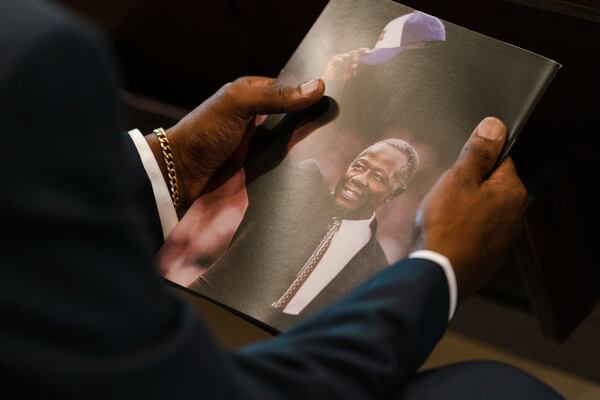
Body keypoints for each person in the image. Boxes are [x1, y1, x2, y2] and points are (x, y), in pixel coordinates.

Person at [1, 0, 563, 399]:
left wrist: (174, 159)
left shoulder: (373, 265)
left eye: (374, 173)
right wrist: (440, 269)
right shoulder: (36, 56)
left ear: (394, 192)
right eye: (361, 162)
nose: (359, 172)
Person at [191, 138, 419, 327]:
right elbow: (264, 150)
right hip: (202, 310)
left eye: (378, 177)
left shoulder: (376, 272)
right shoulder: (303, 184)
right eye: (359, 166)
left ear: (394, 193)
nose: (358, 179)